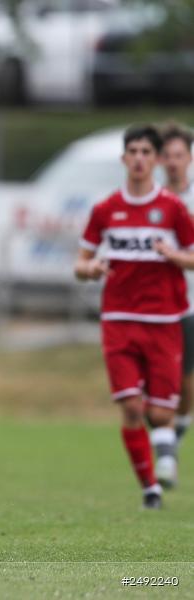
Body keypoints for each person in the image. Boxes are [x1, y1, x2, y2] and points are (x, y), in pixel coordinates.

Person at [75, 125, 194, 507]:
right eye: (134, 151)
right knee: (130, 406)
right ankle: (150, 488)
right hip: (119, 319)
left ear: (155, 160)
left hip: (164, 321)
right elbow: (80, 262)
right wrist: (90, 269)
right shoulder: (105, 209)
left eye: (147, 152)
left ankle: (166, 453)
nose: (140, 158)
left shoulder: (173, 209)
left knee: (161, 411)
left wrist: (175, 258)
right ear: (124, 158)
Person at [159, 122, 194, 442]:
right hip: (153, 304)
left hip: (189, 303)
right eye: (167, 155)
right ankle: (163, 434)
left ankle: (181, 423)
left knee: (185, 382)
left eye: (178, 155)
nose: (172, 161)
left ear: (189, 158)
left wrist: (174, 256)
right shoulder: (149, 197)